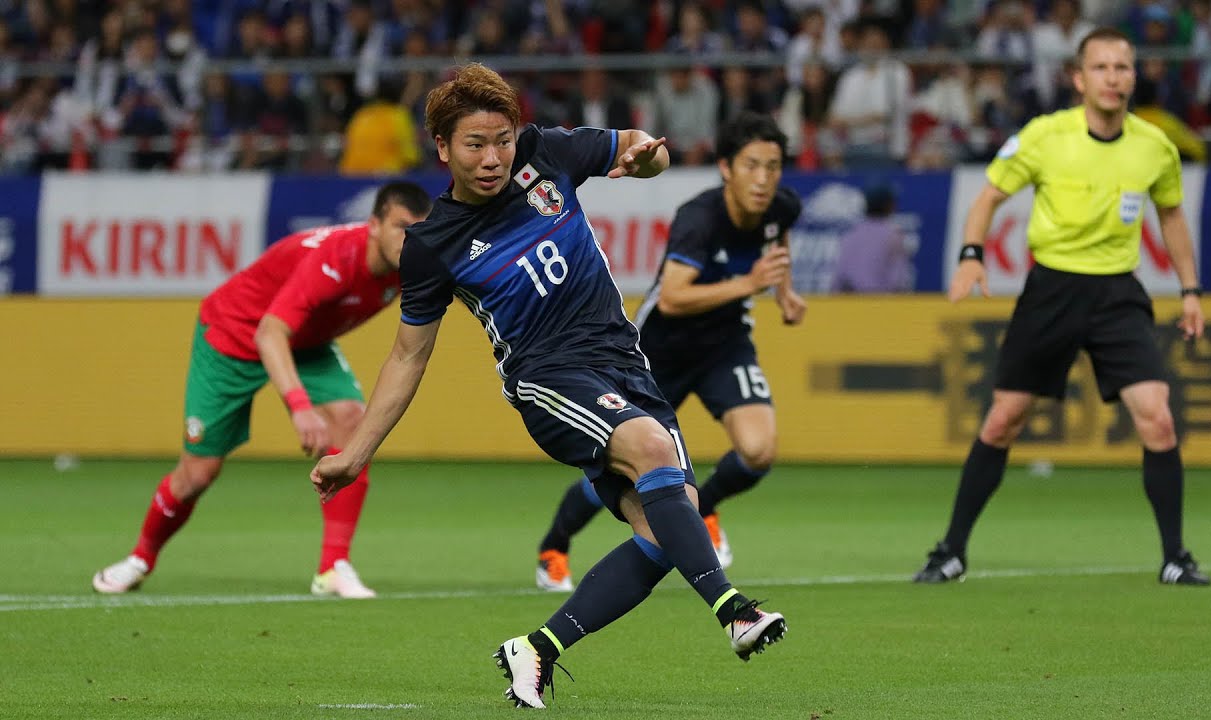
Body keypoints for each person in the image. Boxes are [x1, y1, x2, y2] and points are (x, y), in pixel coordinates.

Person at [308, 65, 787, 710]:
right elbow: (406, 356)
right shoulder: (432, 244)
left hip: (624, 361)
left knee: (663, 533)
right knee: (649, 449)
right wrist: (357, 452)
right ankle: (734, 611)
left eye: (502, 140)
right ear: (443, 148)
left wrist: (648, 160)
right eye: (475, 145)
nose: (493, 157)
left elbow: (641, 149)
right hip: (547, 379)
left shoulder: (545, 152)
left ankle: (537, 649)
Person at [912, 28, 1211, 587]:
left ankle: (1176, 557)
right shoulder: (1044, 137)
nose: (1113, 77)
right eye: (1101, 67)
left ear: (1134, 75)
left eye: (1122, 67)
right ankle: (950, 550)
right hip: (1051, 289)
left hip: (1118, 293)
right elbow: (988, 197)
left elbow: (1171, 216)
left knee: (1159, 418)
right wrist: (971, 256)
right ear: (1079, 78)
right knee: (1004, 420)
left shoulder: (1154, 145)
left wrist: (1190, 290)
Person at [91, 181, 432, 598]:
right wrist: (299, 406)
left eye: (419, 229)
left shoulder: (415, 265)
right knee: (198, 474)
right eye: (401, 227)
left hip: (306, 343)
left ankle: (333, 568)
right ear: (373, 225)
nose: (409, 238)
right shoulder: (336, 259)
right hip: (234, 335)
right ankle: (139, 559)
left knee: (351, 421)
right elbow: (270, 332)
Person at [534, 111, 806, 593]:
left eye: (773, 166)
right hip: (658, 352)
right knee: (628, 466)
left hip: (725, 345)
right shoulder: (698, 220)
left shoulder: (781, 207)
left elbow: (775, 243)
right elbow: (676, 297)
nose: (763, 179)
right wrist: (751, 283)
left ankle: (704, 507)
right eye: (752, 165)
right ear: (726, 168)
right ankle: (554, 546)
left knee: (759, 450)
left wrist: (783, 292)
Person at [831, 183, 913, 293]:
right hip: (881, 305)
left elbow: (839, 280)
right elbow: (899, 282)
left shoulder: (851, 234)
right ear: (889, 205)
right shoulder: (893, 235)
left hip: (852, 304)